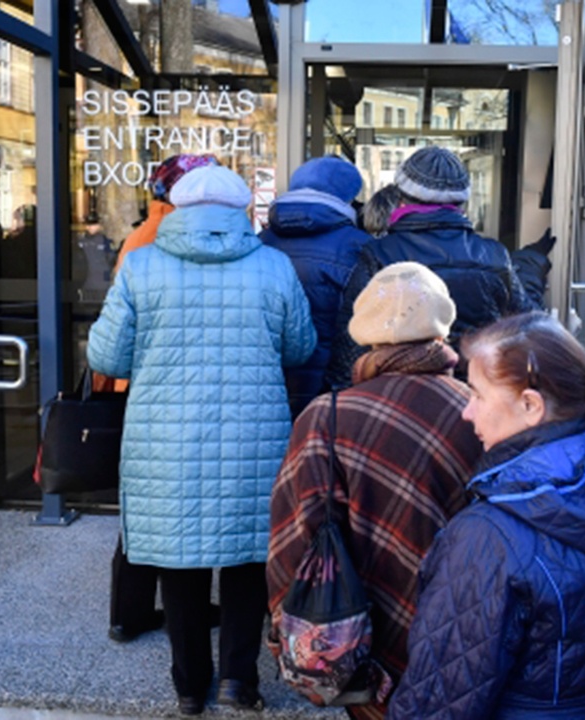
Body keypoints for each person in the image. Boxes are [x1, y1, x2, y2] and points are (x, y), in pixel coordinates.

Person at [87, 164, 316, 715]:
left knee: (179, 562)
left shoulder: (141, 265)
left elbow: (107, 357)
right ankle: (240, 681)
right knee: (248, 560)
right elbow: (300, 347)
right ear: (243, 210)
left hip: (166, 441)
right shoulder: (274, 266)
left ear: (178, 208)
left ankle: (190, 688)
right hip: (253, 438)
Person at [387, 311, 585, 719]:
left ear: (530, 405)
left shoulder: (490, 535)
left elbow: (438, 702)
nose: (466, 412)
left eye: (478, 394)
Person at [267, 262, 483, 720]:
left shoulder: (327, 416)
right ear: (441, 328)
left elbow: (294, 537)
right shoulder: (479, 410)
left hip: (359, 628)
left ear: (365, 333)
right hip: (465, 627)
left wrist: (285, 626)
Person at [96, 154, 219, 647]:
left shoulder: (150, 234)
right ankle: (130, 613)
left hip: (150, 389)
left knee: (151, 505)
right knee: (149, 509)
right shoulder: (154, 241)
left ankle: (132, 612)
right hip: (152, 391)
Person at [325, 146, 532, 389]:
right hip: (477, 395)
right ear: (462, 202)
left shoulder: (380, 254)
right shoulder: (494, 255)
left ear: (401, 197)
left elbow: (352, 340)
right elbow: (528, 327)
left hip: (400, 395)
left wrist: (341, 397)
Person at [260, 156, 373, 418]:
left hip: (269, 385)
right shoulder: (360, 246)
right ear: (348, 197)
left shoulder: (259, 241)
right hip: (332, 388)